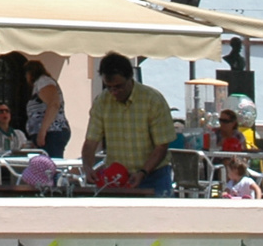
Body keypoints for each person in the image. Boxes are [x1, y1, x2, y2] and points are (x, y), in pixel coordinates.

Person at [80, 52, 177, 197]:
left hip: (154, 176)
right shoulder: (102, 102)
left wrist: (143, 172)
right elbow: (90, 143)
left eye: (119, 86)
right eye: (109, 87)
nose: (114, 92)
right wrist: (87, 167)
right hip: (117, 177)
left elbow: (161, 146)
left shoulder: (152, 100)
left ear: (130, 77)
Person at [24, 59, 70, 158]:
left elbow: (54, 104)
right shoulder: (41, 83)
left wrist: (42, 131)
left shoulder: (43, 81)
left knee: (50, 167)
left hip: (52, 132)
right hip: (50, 133)